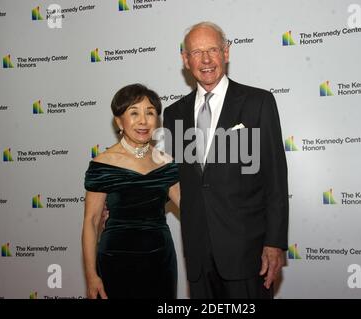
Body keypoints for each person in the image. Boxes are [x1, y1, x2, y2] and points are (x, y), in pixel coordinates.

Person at [163, 22, 289, 299]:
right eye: (197, 53)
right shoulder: (174, 114)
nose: (206, 60)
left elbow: (276, 178)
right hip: (197, 254)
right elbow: (168, 177)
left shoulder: (258, 103)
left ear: (226, 53)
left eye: (213, 50)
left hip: (248, 251)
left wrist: (275, 243)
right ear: (185, 60)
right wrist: (123, 205)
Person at [82, 84, 180, 299]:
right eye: (134, 113)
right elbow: (91, 221)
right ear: (119, 121)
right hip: (116, 260)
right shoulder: (103, 165)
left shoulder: (166, 163)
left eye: (150, 113)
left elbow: (193, 209)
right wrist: (91, 275)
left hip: (161, 260)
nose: (143, 121)